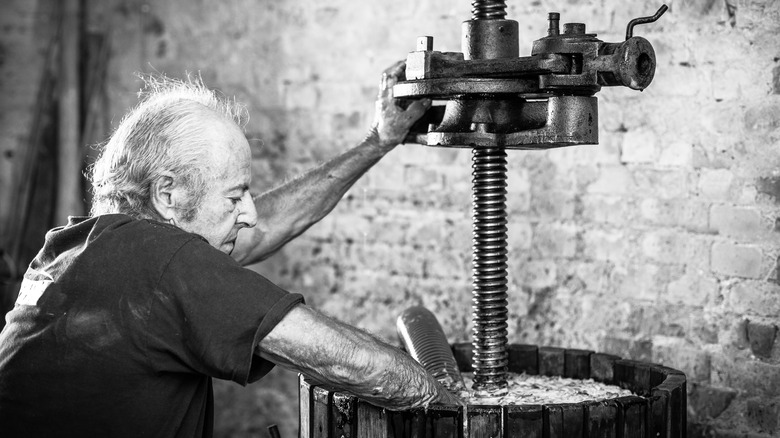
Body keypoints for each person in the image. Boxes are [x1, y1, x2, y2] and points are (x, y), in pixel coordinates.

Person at [0, 62, 459, 437]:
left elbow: (265, 226)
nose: (250, 213)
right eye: (235, 195)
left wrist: (377, 141)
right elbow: (349, 362)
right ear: (168, 195)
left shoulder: (76, 250)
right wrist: (459, 406)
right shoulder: (167, 263)